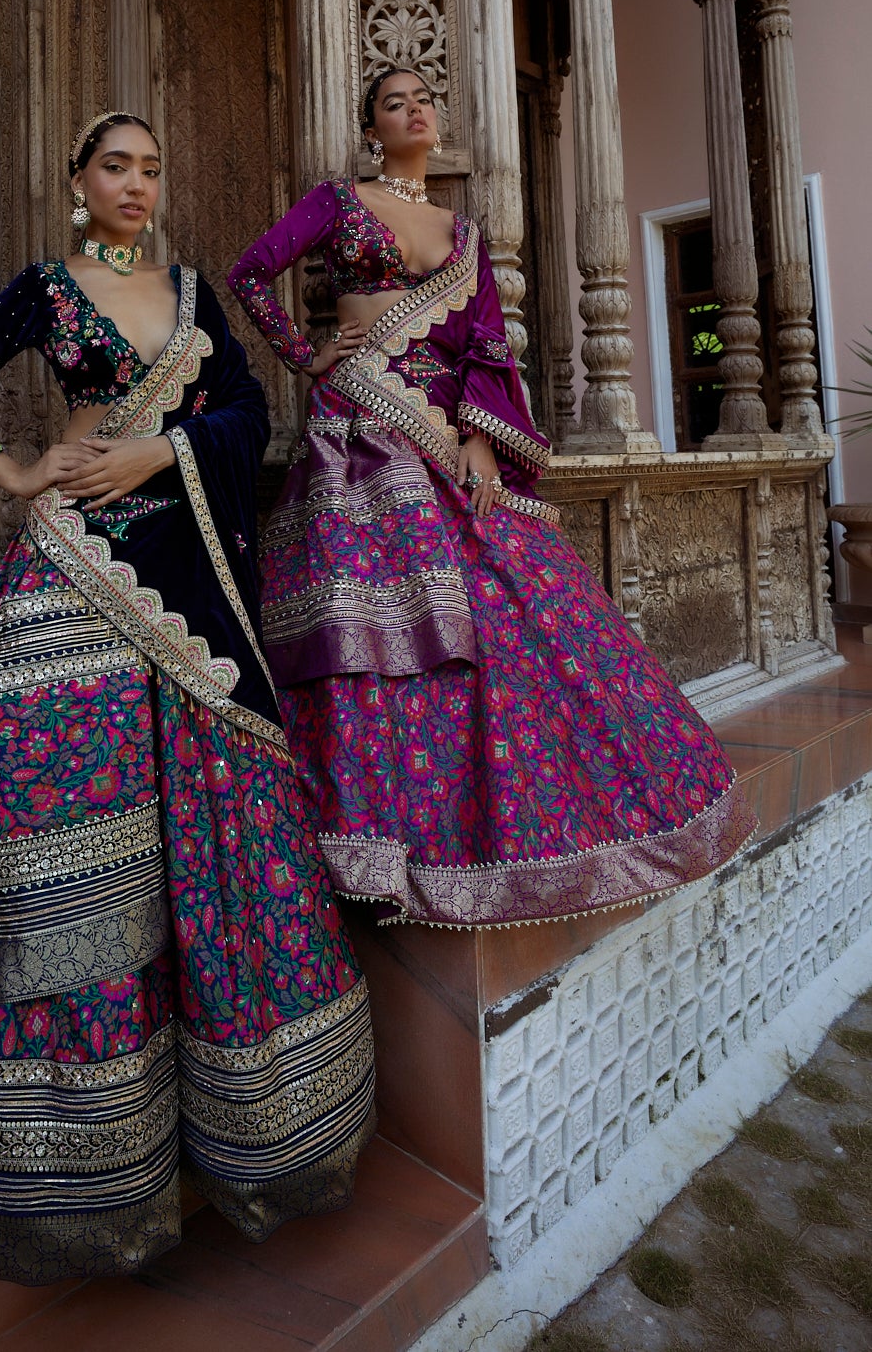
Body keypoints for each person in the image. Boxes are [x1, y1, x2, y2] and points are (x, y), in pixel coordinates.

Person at [0, 113, 375, 1284]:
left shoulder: (193, 295)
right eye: (114, 167)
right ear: (77, 184)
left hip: (186, 578)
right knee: (65, 825)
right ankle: (71, 1146)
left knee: (211, 826)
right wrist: (16, 469)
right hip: (73, 571)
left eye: (150, 166)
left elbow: (246, 413)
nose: (135, 184)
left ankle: (239, 1128)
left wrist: (159, 454)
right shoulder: (47, 289)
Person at [227, 68, 757, 930]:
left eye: (422, 99)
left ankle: (528, 822)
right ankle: (361, 839)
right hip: (360, 427)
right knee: (371, 623)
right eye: (393, 101)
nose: (413, 110)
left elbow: (483, 342)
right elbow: (250, 273)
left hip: (441, 431)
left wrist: (476, 436)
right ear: (372, 126)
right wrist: (308, 351)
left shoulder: (462, 233)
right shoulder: (336, 201)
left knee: (517, 607)